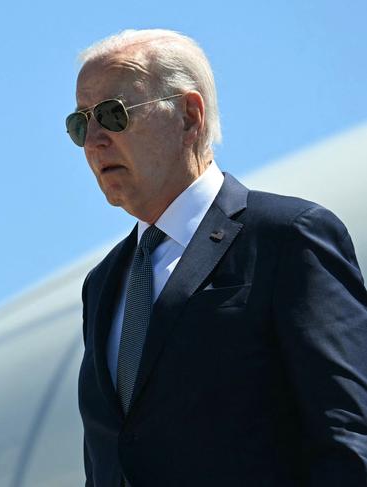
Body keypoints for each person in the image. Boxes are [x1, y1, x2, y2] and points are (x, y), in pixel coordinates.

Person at [70, 29, 367, 487]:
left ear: (189, 116)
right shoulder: (105, 284)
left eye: (113, 115)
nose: (93, 140)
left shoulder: (287, 238)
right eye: (80, 124)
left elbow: (348, 439)